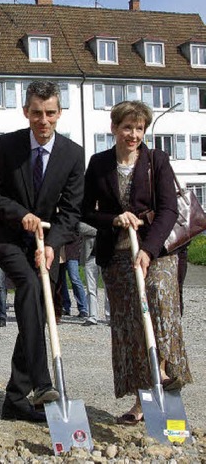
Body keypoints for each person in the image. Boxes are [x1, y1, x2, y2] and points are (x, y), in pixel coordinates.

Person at [0, 80, 84, 422]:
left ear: (59, 114)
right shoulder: (7, 146)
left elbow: (71, 213)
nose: (43, 120)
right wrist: (20, 214)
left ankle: (15, 400)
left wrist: (52, 246)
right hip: (7, 238)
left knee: (35, 309)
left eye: (50, 113)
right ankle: (42, 383)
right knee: (32, 288)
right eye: (36, 113)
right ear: (26, 112)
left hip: (45, 244)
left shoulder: (72, 153)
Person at [82, 100, 191, 425]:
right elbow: (87, 210)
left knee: (159, 305)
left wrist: (149, 249)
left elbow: (170, 209)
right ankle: (142, 403)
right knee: (129, 326)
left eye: (139, 128)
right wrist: (114, 218)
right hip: (116, 257)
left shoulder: (156, 160)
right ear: (114, 128)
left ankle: (165, 376)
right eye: (127, 127)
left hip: (156, 253)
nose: (133, 134)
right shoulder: (99, 163)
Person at [78, 221, 105, 326]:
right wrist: (101, 230)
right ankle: (92, 316)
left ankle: (109, 316)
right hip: (90, 257)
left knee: (108, 288)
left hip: (104, 255)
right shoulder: (89, 214)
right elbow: (80, 227)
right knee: (91, 288)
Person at [57, 231, 89, 318]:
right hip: (59, 252)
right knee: (61, 280)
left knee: (74, 278)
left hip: (72, 252)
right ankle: (65, 306)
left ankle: (83, 308)